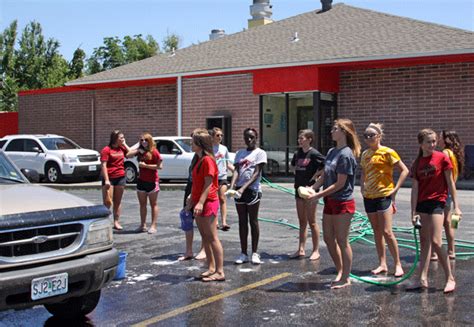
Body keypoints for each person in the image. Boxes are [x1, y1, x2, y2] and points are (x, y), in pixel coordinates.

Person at [308, 118, 360, 289]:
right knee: (329, 239)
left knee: (342, 240)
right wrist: (313, 188)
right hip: (329, 201)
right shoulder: (331, 151)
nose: (332, 131)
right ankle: (340, 270)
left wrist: (318, 195)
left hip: (343, 202)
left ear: (344, 132)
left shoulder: (346, 154)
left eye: (335, 129)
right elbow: (324, 175)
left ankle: (346, 277)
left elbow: (340, 183)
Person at [407, 129, 461, 293]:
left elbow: (451, 183)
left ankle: (450, 278)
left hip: (438, 202)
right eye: (428, 142)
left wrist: (456, 206)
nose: (432, 144)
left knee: (437, 241)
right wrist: (413, 211)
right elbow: (414, 189)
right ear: (421, 143)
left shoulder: (442, 158)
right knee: (425, 242)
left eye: (434, 141)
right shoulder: (417, 164)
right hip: (422, 204)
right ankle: (422, 278)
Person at [360, 123, 409, 277]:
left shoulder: (388, 152)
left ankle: (397, 264)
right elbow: (363, 172)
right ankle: (382, 263)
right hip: (369, 196)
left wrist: (395, 189)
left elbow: (404, 170)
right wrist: (362, 187)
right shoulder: (365, 154)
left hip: (384, 195)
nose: (368, 138)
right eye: (366, 136)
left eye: (371, 135)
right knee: (376, 231)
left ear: (379, 136)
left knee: (387, 231)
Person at [185, 128, 225, 282]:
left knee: (212, 237)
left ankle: (220, 271)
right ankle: (211, 267)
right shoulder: (198, 159)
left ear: (200, 144)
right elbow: (197, 183)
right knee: (205, 237)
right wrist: (192, 199)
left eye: (193, 142)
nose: (191, 144)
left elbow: (208, 184)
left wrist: (200, 202)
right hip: (199, 202)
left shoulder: (207, 160)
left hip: (208, 203)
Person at [229, 128, 267, 265]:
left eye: (251, 137)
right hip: (239, 191)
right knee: (242, 221)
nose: (249, 140)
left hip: (252, 190)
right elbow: (236, 171)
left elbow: (256, 173)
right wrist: (232, 186)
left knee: (253, 221)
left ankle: (255, 252)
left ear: (256, 137)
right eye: (246, 137)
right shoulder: (240, 153)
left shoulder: (260, 153)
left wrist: (244, 188)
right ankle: (243, 252)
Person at [290, 129, 325, 260]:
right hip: (299, 190)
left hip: (310, 190)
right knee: (302, 221)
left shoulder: (314, 154)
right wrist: (297, 173)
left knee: (312, 221)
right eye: (299, 138)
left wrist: (317, 175)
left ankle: (316, 250)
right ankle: (301, 249)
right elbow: (293, 166)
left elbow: (326, 165)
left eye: (302, 138)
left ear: (309, 139)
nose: (300, 140)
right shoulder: (297, 153)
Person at [431, 130, 464, 261]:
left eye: (440, 137)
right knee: (452, 223)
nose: (438, 140)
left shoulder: (445, 153)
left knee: (442, 222)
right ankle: (452, 251)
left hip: (444, 191)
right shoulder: (456, 153)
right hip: (452, 190)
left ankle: (435, 253)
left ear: (446, 139)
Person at [126, 133, 162, 234]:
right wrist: (138, 149)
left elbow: (160, 166)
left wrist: (146, 166)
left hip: (152, 181)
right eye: (142, 140)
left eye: (146, 140)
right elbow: (128, 155)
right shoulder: (140, 151)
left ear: (150, 141)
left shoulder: (154, 152)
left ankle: (153, 225)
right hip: (141, 181)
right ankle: (143, 225)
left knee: (153, 204)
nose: (144, 142)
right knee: (142, 204)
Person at [100, 130, 130, 230]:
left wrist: (125, 144)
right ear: (115, 138)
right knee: (108, 202)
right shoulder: (106, 150)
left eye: (123, 137)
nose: (123, 139)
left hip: (120, 177)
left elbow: (130, 154)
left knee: (118, 201)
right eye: (121, 138)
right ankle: (104, 221)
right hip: (109, 178)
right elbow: (104, 165)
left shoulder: (122, 148)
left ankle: (116, 222)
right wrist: (107, 180)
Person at [209, 127, 234, 231]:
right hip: (213, 178)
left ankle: (224, 222)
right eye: (217, 135)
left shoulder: (224, 148)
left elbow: (227, 163)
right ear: (212, 137)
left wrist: (235, 171)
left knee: (222, 198)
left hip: (223, 176)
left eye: (221, 135)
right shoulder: (209, 148)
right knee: (214, 200)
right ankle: (215, 222)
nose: (220, 137)